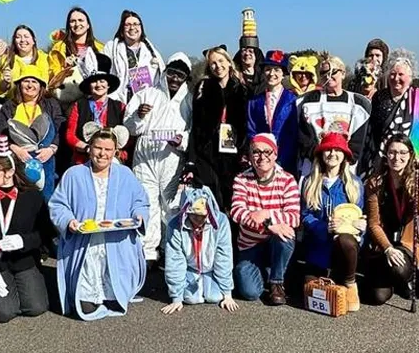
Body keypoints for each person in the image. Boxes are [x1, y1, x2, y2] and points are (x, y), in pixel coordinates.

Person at [49, 128, 149, 321]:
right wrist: (69, 221)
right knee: (85, 309)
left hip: (116, 243)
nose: (102, 154)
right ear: (89, 148)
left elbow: (141, 201)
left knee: (116, 301)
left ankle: (113, 292)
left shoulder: (125, 174)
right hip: (85, 245)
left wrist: (139, 215)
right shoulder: (74, 174)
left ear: (115, 152)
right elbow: (58, 204)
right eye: (98, 148)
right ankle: (87, 294)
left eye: (108, 149)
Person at [0, 136, 52, 323]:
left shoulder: (32, 196)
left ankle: (23, 287)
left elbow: (46, 232)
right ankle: (3, 292)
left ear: (10, 171)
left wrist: (24, 241)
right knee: (3, 314)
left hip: (24, 261)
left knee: (36, 307)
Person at [125, 52, 193, 263]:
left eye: (180, 75)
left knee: (171, 205)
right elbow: (130, 128)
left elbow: (194, 132)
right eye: (171, 73)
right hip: (145, 156)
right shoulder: (147, 94)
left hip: (172, 158)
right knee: (147, 202)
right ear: (165, 72)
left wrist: (182, 140)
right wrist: (139, 116)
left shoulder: (190, 100)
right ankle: (148, 251)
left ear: (186, 78)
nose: (174, 79)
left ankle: (170, 248)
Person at [230, 134, 300, 305]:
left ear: (275, 154)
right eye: (256, 152)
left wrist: (265, 215)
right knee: (249, 292)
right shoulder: (241, 179)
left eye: (267, 152)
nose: (262, 157)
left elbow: (294, 217)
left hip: (275, 243)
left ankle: (276, 283)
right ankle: (267, 272)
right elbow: (237, 212)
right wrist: (270, 225)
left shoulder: (288, 180)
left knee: (286, 235)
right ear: (250, 155)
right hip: (250, 246)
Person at [300, 132, 366, 312]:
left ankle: (350, 283)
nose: (332, 154)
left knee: (346, 240)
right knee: (312, 291)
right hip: (318, 246)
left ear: (344, 155)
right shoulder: (309, 181)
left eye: (337, 150)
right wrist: (324, 228)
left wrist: (361, 227)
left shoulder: (354, 183)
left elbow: (360, 215)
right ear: (321, 153)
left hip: (343, 247)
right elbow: (305, 215)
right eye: (328, 150)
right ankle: (332, 278)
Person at [363, 134, 419, 305]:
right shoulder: (375, 182)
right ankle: (394, 280)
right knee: (377, 298)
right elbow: (373, 224)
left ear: (410, 155)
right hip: (383, 244)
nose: (396, 157)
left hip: (407, 242)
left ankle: (402, 278)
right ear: (386, 155)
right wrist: (388, 249)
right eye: (392, 152)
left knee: (399, 269)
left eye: (402, 153)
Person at [359, 49, 419, 177]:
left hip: (411, 163)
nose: (396, 78)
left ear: (410, 77)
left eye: (400, 74)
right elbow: (371, 131)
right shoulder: (379, 97)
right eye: (392, 74)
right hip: (382, 162)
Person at [161, 184, 239, 314]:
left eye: (202, 216)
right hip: (189, 269)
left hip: (211, 269)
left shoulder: (221, 221)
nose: (198, 220)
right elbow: (174, 261)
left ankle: (211, 284)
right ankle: (189, 286)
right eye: (194, 215)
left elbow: (224, 256)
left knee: (215, 297)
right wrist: (176, 297)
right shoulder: (174, 225)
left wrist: (227, 294)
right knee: (190, 299)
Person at [187, 46, 248, 209]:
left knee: (232, 200)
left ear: (229, 62)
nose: (218, 66)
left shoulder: (241, 89)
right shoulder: (203, 88)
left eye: (221, 61)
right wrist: (192, 159)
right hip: (208, 152)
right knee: (212, 201)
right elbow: (196, 126)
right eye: (213, 63)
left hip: (233, 152)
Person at [0, 64, 64, 201]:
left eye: (34, 81)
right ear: (19, 84)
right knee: (20, 198)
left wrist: (52, 149)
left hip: (45, 158)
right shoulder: (9, 106)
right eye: (26, 81)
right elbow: (1, 132)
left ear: (41, 86)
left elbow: (60, 127)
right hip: (18, 160)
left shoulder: (51, 104)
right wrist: (15, 149)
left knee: (45, 199)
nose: (30, 85)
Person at [297, 54, 370, 176]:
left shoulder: (358, 104)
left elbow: (357, 144)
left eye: (333, 71)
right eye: (324, 72)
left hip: (345, 169)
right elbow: (305, 139)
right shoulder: (310, 100)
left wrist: (339, 163)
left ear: (343, 73)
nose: (328, 75)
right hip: (315, 167)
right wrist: (322, 160)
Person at [65, 50, 126, 165]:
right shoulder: (79, 105)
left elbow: (127, 135)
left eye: (102, 81)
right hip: (83, 159)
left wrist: (113, 150)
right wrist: (87, 148)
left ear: (108, 84)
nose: (98, 85)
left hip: (112, 159)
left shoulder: (120, 107)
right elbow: (70, 135)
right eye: (94, 82)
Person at [246, 50, 298, 175]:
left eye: (277, 70)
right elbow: (251, 130)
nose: (272, 74)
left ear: (283, 74)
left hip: (285, 160)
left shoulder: (293, 100)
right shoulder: (254, 102)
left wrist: (280, 159)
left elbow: (293, 133)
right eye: (268, 69)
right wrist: (260, 155)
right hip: (261, 161)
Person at [102, 10, 164, 104]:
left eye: (136, 24)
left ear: (141, 27)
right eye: (128, 25)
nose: (132, 27)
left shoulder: (151, 52)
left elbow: (160, 79)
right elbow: (103, 74)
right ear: (122, 29)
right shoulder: (111, 49)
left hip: (144, 103)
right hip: (118, 101)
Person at [0, 25, 50, 101]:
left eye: (26, 36)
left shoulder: (46, 59)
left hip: (41, 103)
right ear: (14, 41)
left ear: (34, 40)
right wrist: (4, 82)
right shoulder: (5, 60)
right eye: (18, 37)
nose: (22, 40)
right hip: (13, 103)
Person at [233, 8, 266, 97]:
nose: (247, 54)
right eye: (244, 51)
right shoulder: (233, 76)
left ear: (256, 55)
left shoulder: (265, 78)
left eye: (251, 51)